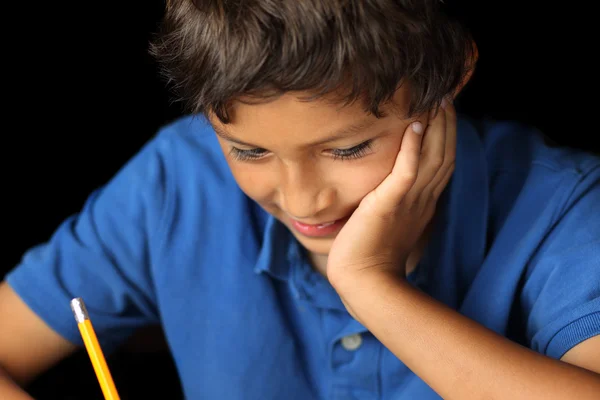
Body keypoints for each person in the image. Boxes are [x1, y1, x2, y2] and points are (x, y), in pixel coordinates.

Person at [1, 0, 599, 398]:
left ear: (451, 76)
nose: (302, 201)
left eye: (346, 149)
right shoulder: (177, 180)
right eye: (249, 152)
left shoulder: (562, 205)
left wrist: (371, 286)